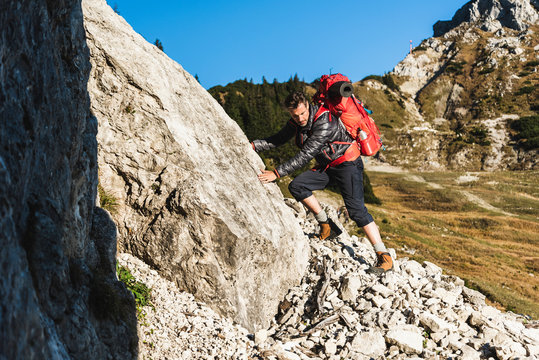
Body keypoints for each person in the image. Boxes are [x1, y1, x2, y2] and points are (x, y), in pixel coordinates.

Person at [252, 91, 393, 275]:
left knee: (356, 210)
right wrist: (253, 145)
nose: (300, 118)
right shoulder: (295, 122)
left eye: (303, 113)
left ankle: (384, 256)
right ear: (290, 113)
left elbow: (305, 155)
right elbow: (277, 139)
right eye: (295, 115)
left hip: (348, 163)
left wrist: (276, 173)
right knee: (297, 186)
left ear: (308, 107)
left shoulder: (323, 121)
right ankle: (327, 226)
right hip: (328, 165)